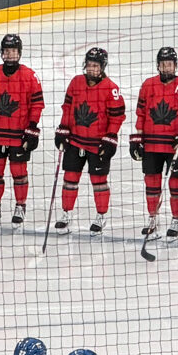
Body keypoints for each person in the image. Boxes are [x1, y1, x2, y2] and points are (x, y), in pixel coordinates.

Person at [0, 34, 45, 227]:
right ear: (2, 53)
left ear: (19, 53)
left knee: (18, 172)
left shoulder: (30, 76)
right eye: (7, 51)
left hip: (18, 135)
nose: (10, 54)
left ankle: (20, 206)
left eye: (13, 51)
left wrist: (32, 127)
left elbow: (37, 104)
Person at [53, 47, 127, 235]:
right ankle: (66, 213)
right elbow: (67, 107)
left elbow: (117, 117)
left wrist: (111, 137)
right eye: (89, 65)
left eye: (95, 66)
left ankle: (101, 216)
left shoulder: (112, 89)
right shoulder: (76, 82)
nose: (91, 69)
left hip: (98, 144)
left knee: (99, 181)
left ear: (102, 67)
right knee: (70, 178)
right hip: (75, 140)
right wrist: (63, 129)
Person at [131, 46, 178, 241]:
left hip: (175, 146)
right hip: (152, 145)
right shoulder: (148, 85)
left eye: (169, 64)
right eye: (163, 64)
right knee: (152, 183)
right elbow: (141, 114)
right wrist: (137, 139)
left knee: (176, 184)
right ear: (158, 66)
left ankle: (176, 220)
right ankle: (153, 219)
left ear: (175, 65)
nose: (166, 68)